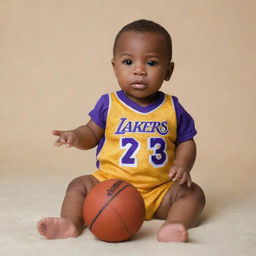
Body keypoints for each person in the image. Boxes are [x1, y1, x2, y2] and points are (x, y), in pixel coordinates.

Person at [37, 19, 206, 242]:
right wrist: (76, 136)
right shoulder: (109, 103)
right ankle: (70, 223)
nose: (139, 70)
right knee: (78, 185)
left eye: (152, 63)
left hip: (159, 190)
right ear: (115, 67)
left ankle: (174, 225)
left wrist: (183, 165)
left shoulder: (173, 108)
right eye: (128, 61)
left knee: (194, 194)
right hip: (108, 186)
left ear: (168, 70)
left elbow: (186, 141)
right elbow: (91, 133)